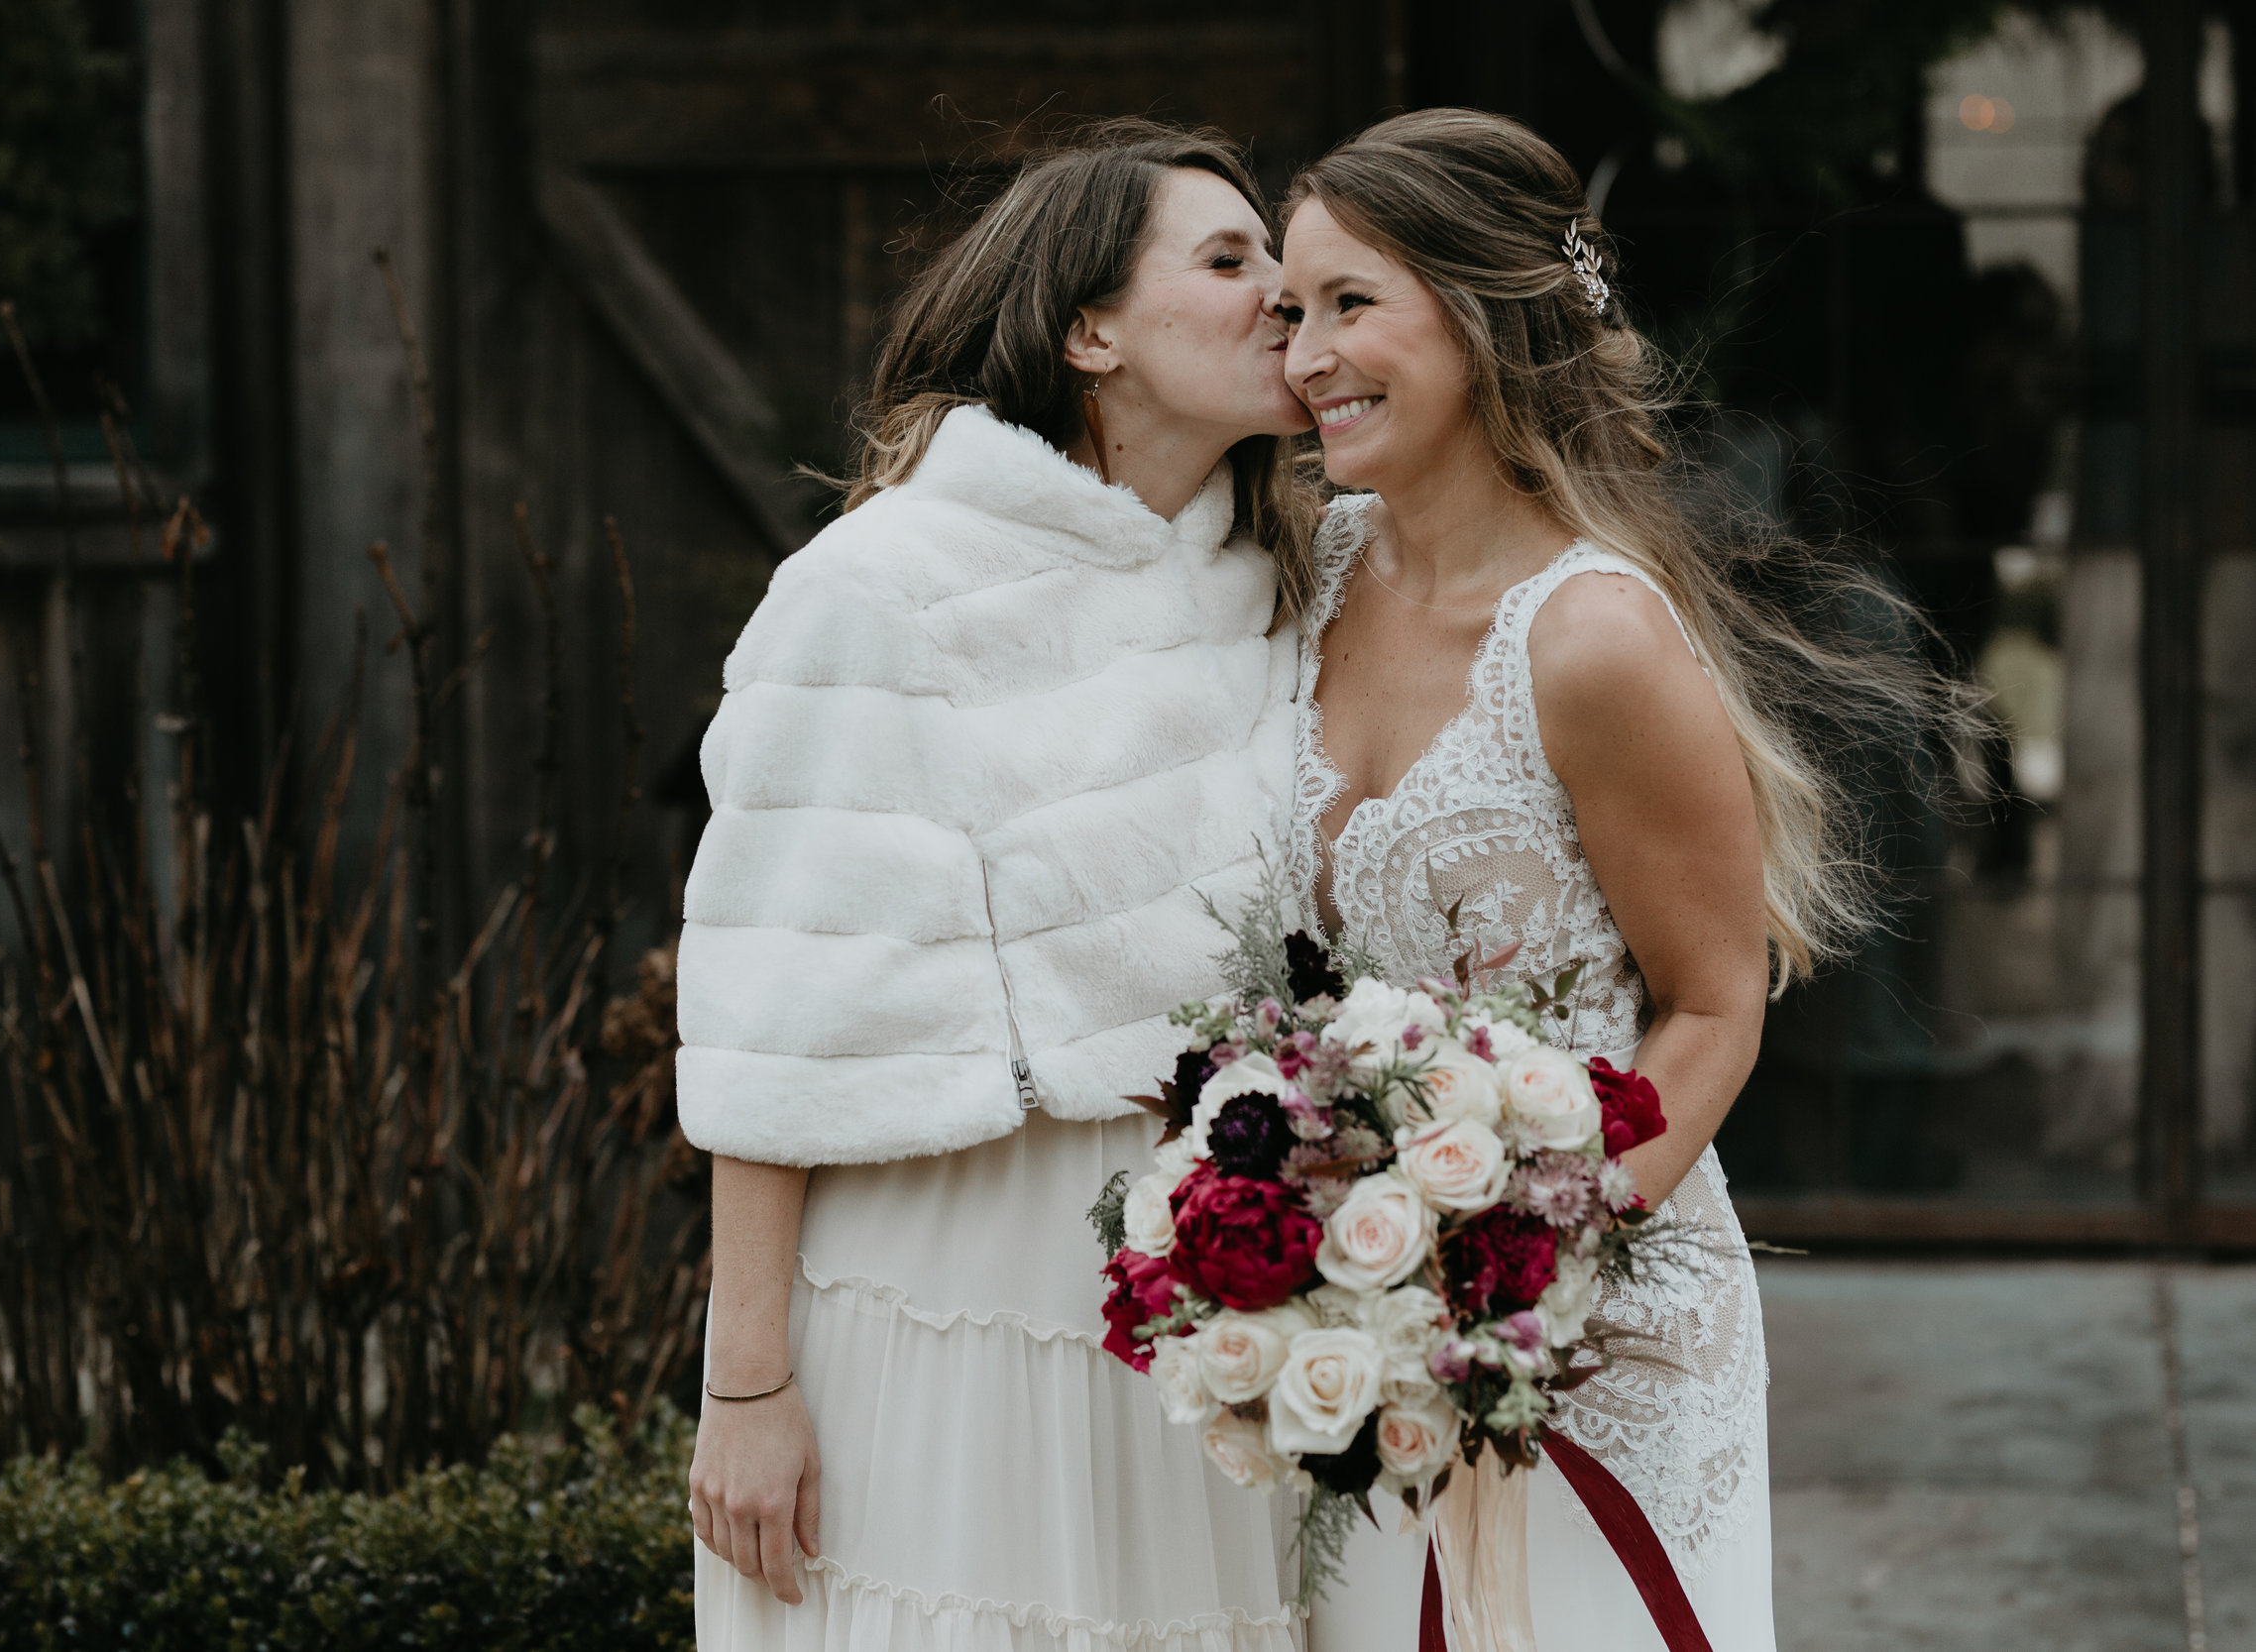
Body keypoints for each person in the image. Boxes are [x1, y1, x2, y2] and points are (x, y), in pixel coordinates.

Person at [1272, 110, 1969, 1650]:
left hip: (1590, 1329)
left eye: (1349, 305)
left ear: (1481, 316)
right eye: (1290, 312)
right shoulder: (1303, 574)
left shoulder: (1591, 640)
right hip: (1341, 1331)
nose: (1304, 356)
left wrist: (1517, 1266)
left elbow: (1717, 1009)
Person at [679, 121, 1316, 1652]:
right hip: (951, 1271)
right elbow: (773, 1023)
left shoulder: (1293, 590)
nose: (1282, 304)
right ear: (1090, 328)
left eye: (1291, 274)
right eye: (1229, 264)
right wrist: (746, 1385)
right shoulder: (882, 590)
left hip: (1211, 1291)